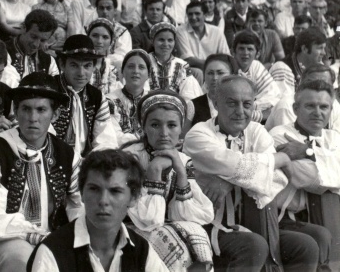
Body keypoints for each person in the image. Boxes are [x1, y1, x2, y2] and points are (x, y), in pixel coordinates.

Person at [184, 75, 320, 271]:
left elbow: (278, 179)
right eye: (231, 103)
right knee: (255, 245)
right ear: (215, 104)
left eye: (247, 104)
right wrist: (279, 159)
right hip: (211, 224)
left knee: (306, 246)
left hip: (254, 220)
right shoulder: (198, 135)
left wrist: (229, 183)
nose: (240, 111)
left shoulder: (256, 131)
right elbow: (236, 165)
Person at [0, 72, 84, 272]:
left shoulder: (66, 155)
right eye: (26, 109)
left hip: (53, 240)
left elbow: (79, 206)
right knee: (24, 256)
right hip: (4, 242)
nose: (33, 118)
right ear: (15, 110)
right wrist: (34, 236)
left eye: (41, 110)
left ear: (55, 115)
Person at [27, 149, 169, 272]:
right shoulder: (53, 251)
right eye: (94, 189)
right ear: (82, 193)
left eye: (115, 191)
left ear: (133, 198)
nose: (103, 201)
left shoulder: (142, 251)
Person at [119, 90, 214, 270]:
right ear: (143, 127)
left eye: (172, 125)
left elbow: (199, 216)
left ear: (181, 128)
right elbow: (148, 219)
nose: (164, 133)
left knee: (197, 235)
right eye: (155, 125)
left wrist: (181, 172)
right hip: (132, 227)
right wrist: (154, 171)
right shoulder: (131, 158)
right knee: (170, 240)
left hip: (166, 226)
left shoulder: (183, 160)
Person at [270, 80, 339, 270]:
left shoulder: (334, 138)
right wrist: (328, 161)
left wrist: (308, 153)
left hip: (323, 217)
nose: (318, 112)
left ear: (331, 109)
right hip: (283, 217)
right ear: (295, 108)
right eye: (310, 106)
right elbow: (306, 178)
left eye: (324, 106)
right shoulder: (280, 136)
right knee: (317, 239)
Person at [54, 35, 118, 156]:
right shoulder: (50, 90)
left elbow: (105, 139)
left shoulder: (96, 96)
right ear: (62, 65)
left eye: (87, 66)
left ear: (94, 67)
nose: (81, 73)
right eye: (74, 65)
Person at [2, 9, 60, 87]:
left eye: (43, 40)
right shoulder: (3, 52)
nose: (36, 45)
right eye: (33, 37)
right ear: (23, 28)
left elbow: (55, 89)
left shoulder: (49, 61)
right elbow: (10, 86)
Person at [232, 31, 281, 123]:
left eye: (250, 49)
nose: (245, 53)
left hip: (252, 115)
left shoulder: (255, 66)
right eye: (241, 49)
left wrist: (253, 108)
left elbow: (274, 95)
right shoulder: (227, 67)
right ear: (233, 52)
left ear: (257, 54)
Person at [147, 22, 203, 100]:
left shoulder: (182, 65)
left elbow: (189, 96)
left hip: (175, 109)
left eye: (170, 40)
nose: (166, 44)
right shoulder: (144, 61)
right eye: (161, 40)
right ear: (152, 41)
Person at [107, 49, 150, 146]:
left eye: (141, 67)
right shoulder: (109, 100)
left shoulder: (153, 100)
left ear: (149, 74)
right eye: (131, 67)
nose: (136, 71)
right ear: (122, 71)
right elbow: (114, 135)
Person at [270, 29, 327, 98]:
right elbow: (285, 102)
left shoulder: (319, 68)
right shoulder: (282, 68)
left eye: (324, 48)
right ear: (304, 49)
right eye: (320, 48)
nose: (324, 53)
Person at [177, 1, 231, 71]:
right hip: (192, 72)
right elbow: (188, 59)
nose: (193, 17)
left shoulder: (217, 32)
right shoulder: (180, 31)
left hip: (215, 71)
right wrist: (213, 65)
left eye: (197, 14)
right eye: (190, 14)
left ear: (205, 15)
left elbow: (225, 56)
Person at [191, 54, 238, 126]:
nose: (215, 77)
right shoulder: (193, 105)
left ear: (232, 76)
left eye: (220, 73)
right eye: (210, 73)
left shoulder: (240, 103)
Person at [86, 18, 121, 95]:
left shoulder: (113, 70)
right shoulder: (80, 65)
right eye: (95, 36)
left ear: (111, 41)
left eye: (105, 37)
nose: (99, 41)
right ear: (88, 37)